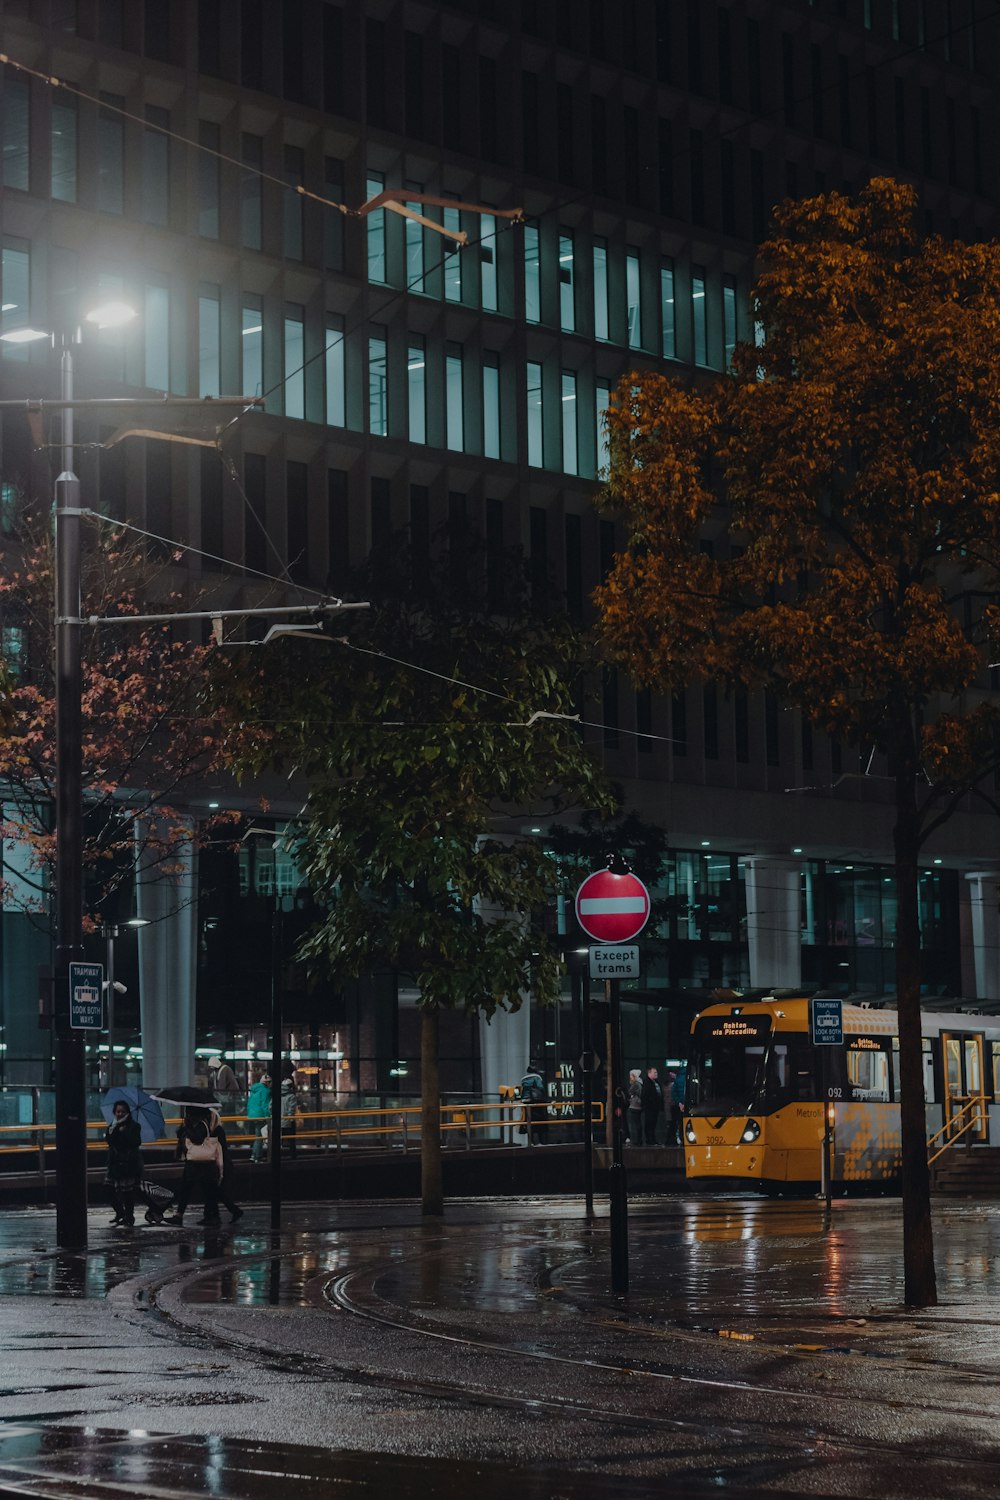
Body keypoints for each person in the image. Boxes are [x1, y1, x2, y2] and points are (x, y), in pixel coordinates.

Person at [163, 1107, 222, 1225]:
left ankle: (213, 1216)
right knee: (189, 1189)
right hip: (194, 1163)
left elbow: (197, 1139)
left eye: (189, 1113)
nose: (187, 1115)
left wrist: (187, 1128)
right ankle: (181, 1215)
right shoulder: (195, 1124)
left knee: (206, 1190)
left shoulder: (202, 1125)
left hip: (202, 1164)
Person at [105, 1100, 143, 1226]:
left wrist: (124, 1132)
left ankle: (129, 1216)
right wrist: (113, 1131)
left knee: (128, 1193)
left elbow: (135, 1142)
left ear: (127, 1112)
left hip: (128, 1163)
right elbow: (110, 1141)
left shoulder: (134, 1126)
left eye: (122, 1111)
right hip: (114, 1163)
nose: (120, 1114)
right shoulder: (113, 1125)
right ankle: (120, 1212)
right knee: (108, 1189)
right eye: (117, 1111)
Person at [208, 1109, 243, 1223]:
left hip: (222, 1164)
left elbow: (218, 1147)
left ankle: (233, 1211)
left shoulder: (217, 1130)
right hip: (220, 1163)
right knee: (215, 1190)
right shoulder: (215, 1130)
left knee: (218, 1191)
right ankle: (215, 1215)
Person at [519, 1062, 547, 1145]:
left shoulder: (524, 1079)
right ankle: (540, 1141)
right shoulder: (536, 1077)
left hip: (525, 1102)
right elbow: (540, 1088)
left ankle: (530, 1142)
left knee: (528, 1121)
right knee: (539, 1121)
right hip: (535, 1102)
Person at [247, 1071, 272, 1162]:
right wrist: (267, 1116)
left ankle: (254, 1155)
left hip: (252, 1115)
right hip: (260, 1115)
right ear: (267, 1083)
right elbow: (265, 1105)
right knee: (260, 1136)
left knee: (258, 1136)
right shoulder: (265, 1091)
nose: (271, 1084)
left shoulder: (254, 1089)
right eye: (270, 1082)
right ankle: (257, 1156)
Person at [640, 1065, 664, 1147]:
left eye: (656, 1072)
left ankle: (653, 1139)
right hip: (650, 1108)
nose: (656, 1074)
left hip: (655, 1108)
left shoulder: (656, 1082)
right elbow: (644, 1096)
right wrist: (649, 1104)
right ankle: (649, 1140)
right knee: (649, 1124)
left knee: (653, 1124)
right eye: (654, 1072)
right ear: (649, 1073)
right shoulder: (647, 1083)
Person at [280, 1074, 299, 1157]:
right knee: (291, 1140)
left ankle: (278, 1156)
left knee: (279, 1140)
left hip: (278, 1121)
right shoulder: (291, 1096)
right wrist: (291, 1118)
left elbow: (270, 1106)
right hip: (288, 1121)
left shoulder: (277, 1095)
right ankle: (293, 1155)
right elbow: (291, 1109)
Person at [664, 1069, 682, 1146]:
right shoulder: (673, 1085)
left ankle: (670, 1140)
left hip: (668, 1107)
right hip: (673, 1107)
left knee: (671, 1124)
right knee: (674, 1124)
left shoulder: (665, 1085)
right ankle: (672, 1140)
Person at [626, 1069, 643, 1146]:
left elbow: (629, 1093)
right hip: (637, 1106)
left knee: (634, 1124)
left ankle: (635, 1140)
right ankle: (638, 1140)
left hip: (634, 1106)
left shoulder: (636, 1084)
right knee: (637, 1124)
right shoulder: (640, 1084)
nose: (630, 1077)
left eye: (631, 1075)